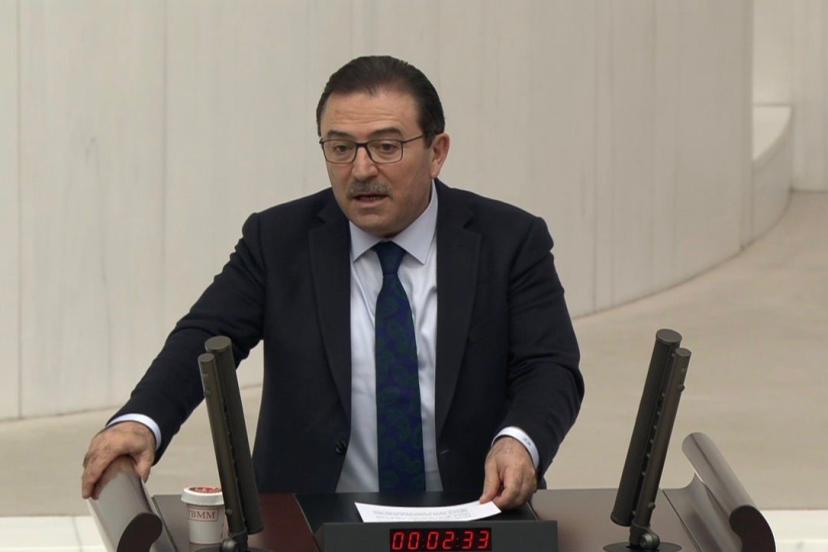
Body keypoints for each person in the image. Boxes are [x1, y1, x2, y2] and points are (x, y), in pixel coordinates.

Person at [81, 55, 583, 509]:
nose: (361, 169)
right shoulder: (278, 240)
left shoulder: (510, 241)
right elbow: (206, 336)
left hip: (472, 512)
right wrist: (142, 420)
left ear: (437, 152)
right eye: (341, 148)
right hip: (309, 520)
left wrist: (519, 439)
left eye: (386, 147)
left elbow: (550, 365)